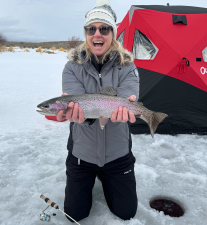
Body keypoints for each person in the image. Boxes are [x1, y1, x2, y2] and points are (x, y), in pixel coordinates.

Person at [56, 0, 139, 222]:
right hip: (82, 154)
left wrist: (129, 106)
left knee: (126, 212)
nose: (97, 34)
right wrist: (78, 115)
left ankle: (106, 175)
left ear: (113, 33)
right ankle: (94, 175)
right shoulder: (72, 67)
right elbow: (78, 103)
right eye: (91, 29)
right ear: (85, 33)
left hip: (117, 153)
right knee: (74, 215)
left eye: (104, 28)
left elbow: (129, 96)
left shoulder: (127, 66)